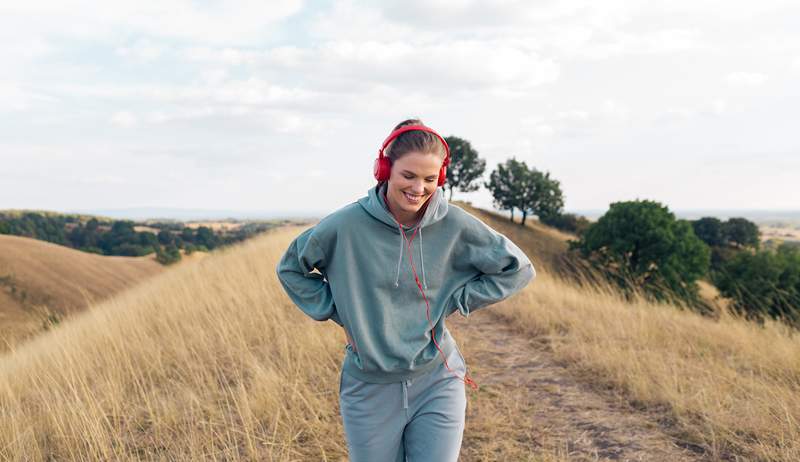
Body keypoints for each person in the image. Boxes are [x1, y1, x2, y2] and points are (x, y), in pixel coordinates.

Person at [276, 118, 536, 462]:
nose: (419, 188)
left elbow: (517, 269)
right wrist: (340, 309)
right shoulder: (345, 225)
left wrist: (457, 299)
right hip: (369, 388)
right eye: (409, 176)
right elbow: (291, 268)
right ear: (385, 170)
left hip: (438, 380)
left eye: (430, 179)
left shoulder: (455, 223)